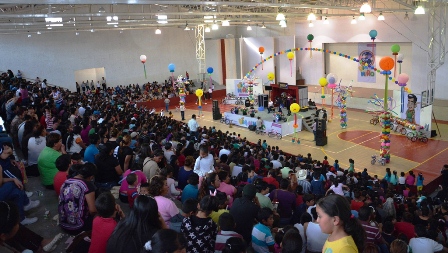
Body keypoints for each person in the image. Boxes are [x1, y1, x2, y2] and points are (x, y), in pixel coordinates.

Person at [58, 163, 97, 234]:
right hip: (78, 227)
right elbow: (92, 210)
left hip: (63, 224)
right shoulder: (87, 185)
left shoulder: (66, 181)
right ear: (91, 177)